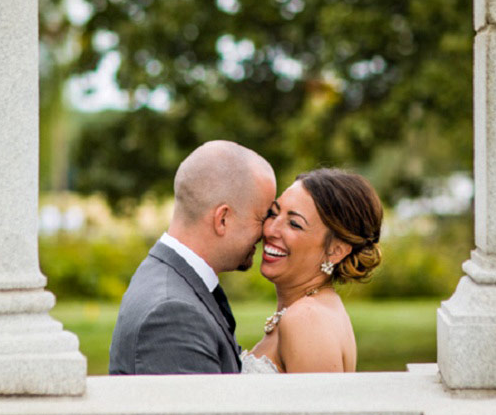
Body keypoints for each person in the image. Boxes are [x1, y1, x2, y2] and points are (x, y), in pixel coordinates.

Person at [109, 140, 276, 374]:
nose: (268, 231)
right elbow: (205, 412)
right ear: (223, 219)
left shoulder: (171, 279)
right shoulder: (172, 314)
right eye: (263, 217)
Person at [241, 167, 383, 374]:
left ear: (335, 251)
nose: (270, 230)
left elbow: (319, 407)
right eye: (273, 213)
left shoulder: (306, 319)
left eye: (294, 224)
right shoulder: (310, 309)